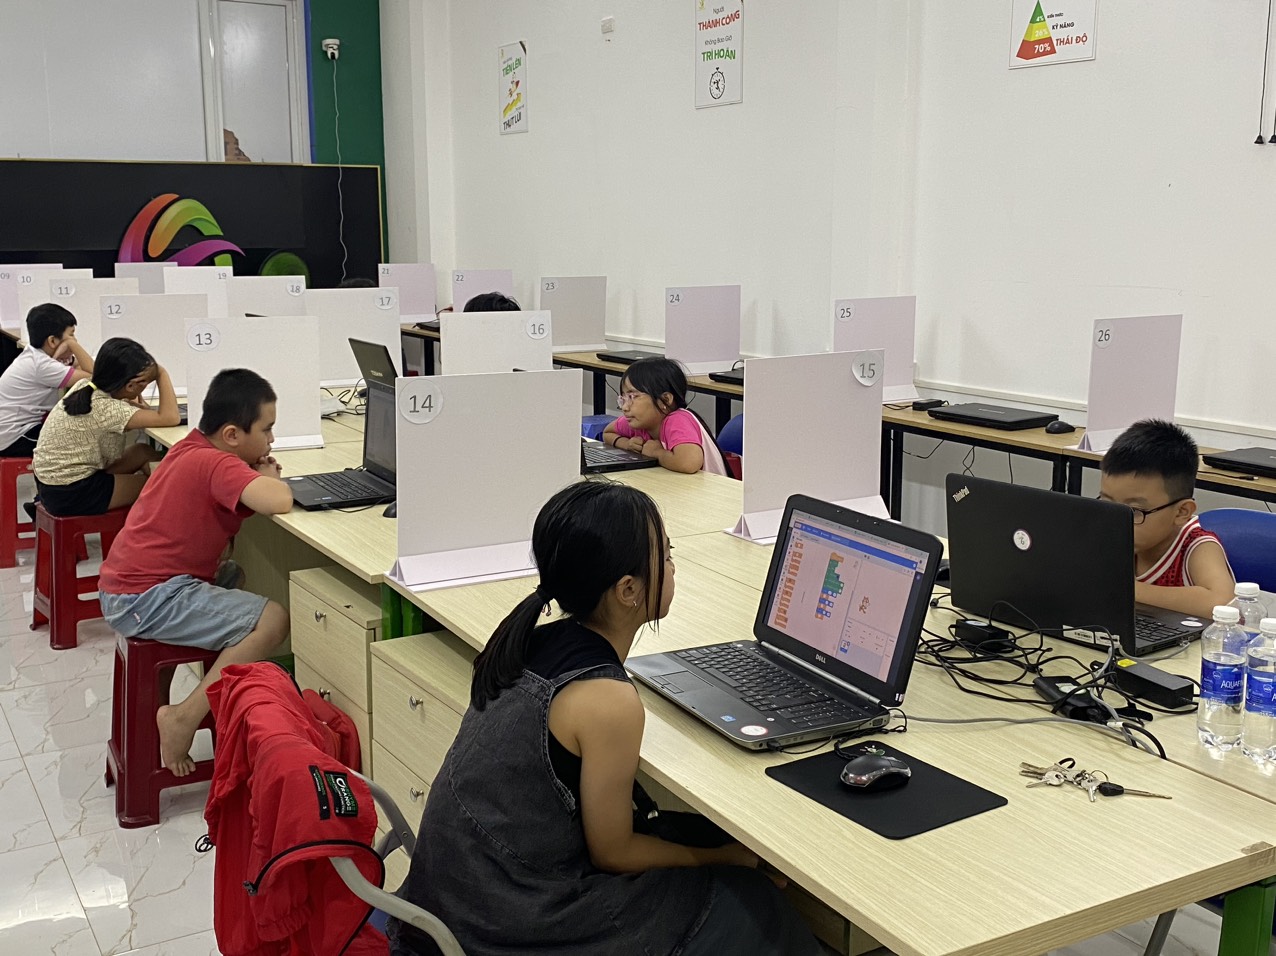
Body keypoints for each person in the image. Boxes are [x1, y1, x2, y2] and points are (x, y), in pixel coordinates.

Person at [389, 482, 819, 956]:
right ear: (628, 589)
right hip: (506, 922)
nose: (673, 565)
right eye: (667, 554)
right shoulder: (607, 701)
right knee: (756, 905)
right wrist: (721, 859)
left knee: (691, 836)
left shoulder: (533, 641)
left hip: (451, 897)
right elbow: (614, 853)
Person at [98, 368, 293, 776]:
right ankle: (183, 716)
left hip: (128, 589)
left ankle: (162, 703)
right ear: (232, 435)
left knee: (232, 575)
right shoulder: (217, 463)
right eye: (266, 430)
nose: (272, 440)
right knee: (273, 619)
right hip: (145, 598)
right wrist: (267, 477)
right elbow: (279, 500)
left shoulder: (192, 446)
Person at [1098, 418, 1235, 618]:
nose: (1116, 522)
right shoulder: (1110, 535)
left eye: (1134, 511)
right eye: (1108, 504)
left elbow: (1221, 603)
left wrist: (1124, 589)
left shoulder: (1197, 545)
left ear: (1181, 512)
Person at [32, 337, 179, 516]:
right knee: (155, 485)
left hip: (51, 484)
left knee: (142, 451)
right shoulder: (110, 410)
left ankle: (169, 485)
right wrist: (161, 372)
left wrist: (133, 405)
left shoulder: (85, 386)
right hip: (71, 492)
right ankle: (172, 499)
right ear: (130, 386)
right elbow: (171, 417)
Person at [600, 357, 727, 475]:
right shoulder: (639, 421)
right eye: (623, 398)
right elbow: (608, 433)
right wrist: (626, 444)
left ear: (665, 400)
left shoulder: (678, 420)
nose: (625, 407)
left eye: (633, 397)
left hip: (713, 490)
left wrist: (656, 452)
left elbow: (688, 463)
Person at [0, 303, 94, 457]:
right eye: (71, 335)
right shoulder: (43, 366)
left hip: (13, 430)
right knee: (81, 442)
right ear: (52, 341)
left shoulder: (36, 355)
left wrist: (70, 348)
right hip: (15, 436)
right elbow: (95, 375)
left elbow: (81, 366)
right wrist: (72, 345)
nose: (75, 340)